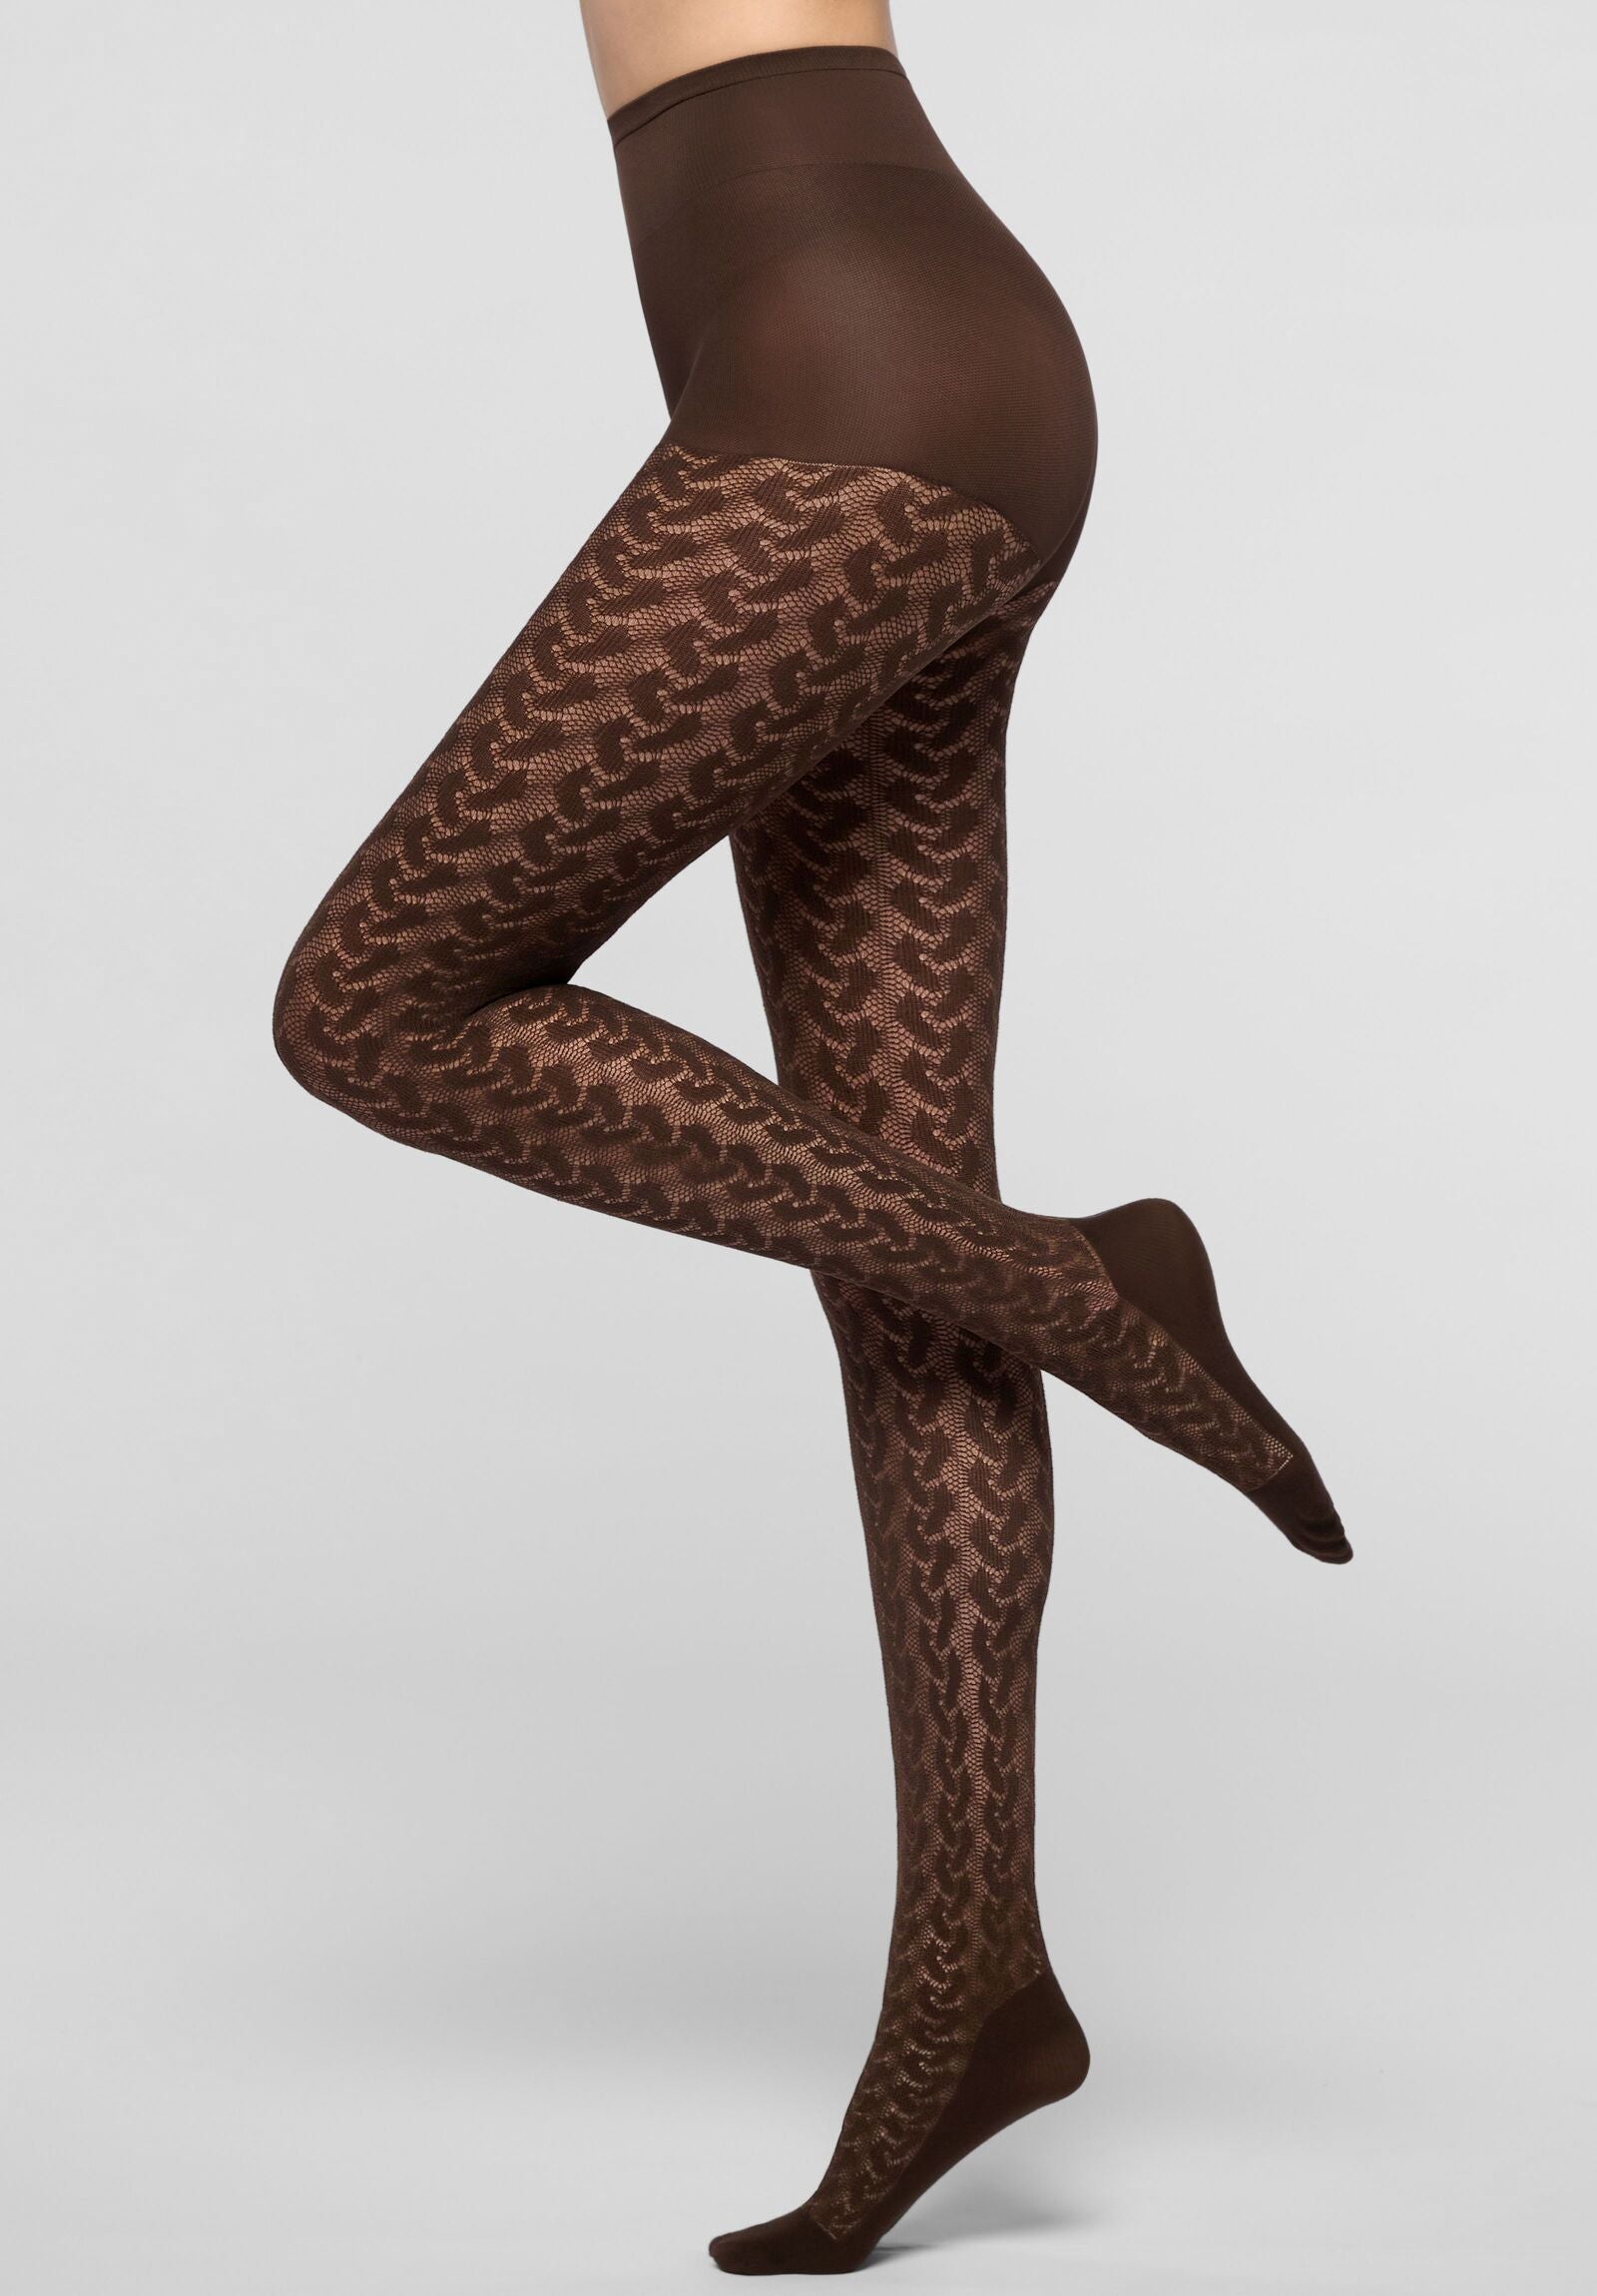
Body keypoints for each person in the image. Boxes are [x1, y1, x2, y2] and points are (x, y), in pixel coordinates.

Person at [272, 0, 1349, 2273]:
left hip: (857, 382)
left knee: (373, 1006)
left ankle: (1083, 1285)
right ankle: (975, 1982)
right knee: (901, 1249)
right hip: (886, 355)